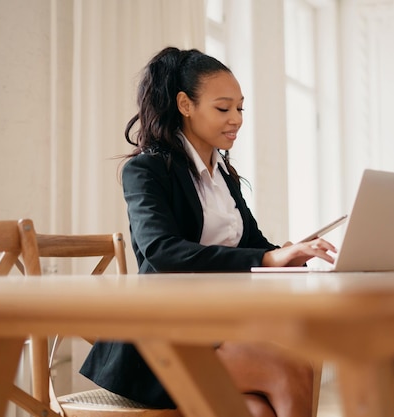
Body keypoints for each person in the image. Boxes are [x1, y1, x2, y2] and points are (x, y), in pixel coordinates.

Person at [80, 46, 337, 417]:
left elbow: (252, 245)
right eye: (223, 108)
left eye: (240, 108)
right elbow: (163, 251)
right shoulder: (147, 170)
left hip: (215, 326)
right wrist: (266, 258)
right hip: (160, 341)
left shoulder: (223, 174)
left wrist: (291, 253)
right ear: (185, 105)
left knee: (256, 409)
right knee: (291, 372)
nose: (236, 119)